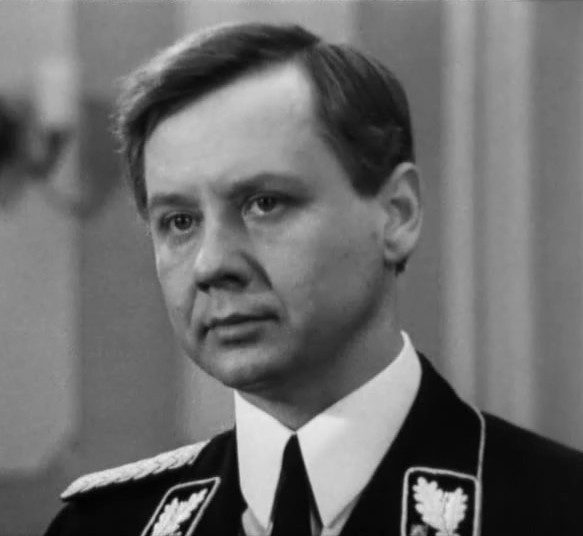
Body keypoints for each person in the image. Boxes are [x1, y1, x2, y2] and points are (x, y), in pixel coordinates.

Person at [44, 22, 583, 536]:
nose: (211, 265)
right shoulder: (102, 527)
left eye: (264, 203)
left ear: (396, 214)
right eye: (180, 222)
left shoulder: (558, 510)